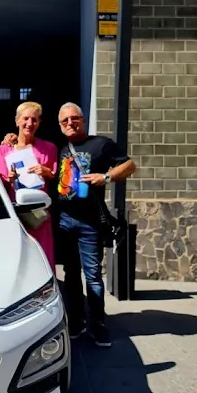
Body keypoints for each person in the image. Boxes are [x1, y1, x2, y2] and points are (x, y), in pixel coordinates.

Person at [55, 102, 136, 347]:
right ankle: (77, 322)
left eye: (74, 118)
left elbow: (130, 165)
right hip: (64, 220)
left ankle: (98, 324)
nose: (70, 123)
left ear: (83, 120)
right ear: (60, 125)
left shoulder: (101, 144)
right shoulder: (60, 148)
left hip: (90, 222)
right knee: (70, 275)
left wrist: (106, 177)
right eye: (65, 121)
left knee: (92, 276)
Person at [0, 101, 58, 270]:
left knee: (41, 256)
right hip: (15, 212)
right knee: (17, 257)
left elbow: (54, 176)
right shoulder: (5, 149)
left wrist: (45, 171)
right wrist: (9, 178)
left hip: (39, 213)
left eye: (34, 120)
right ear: (17, 121)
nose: (29, 123)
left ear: (39, 123)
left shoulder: (49, 148)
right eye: (25, 119)